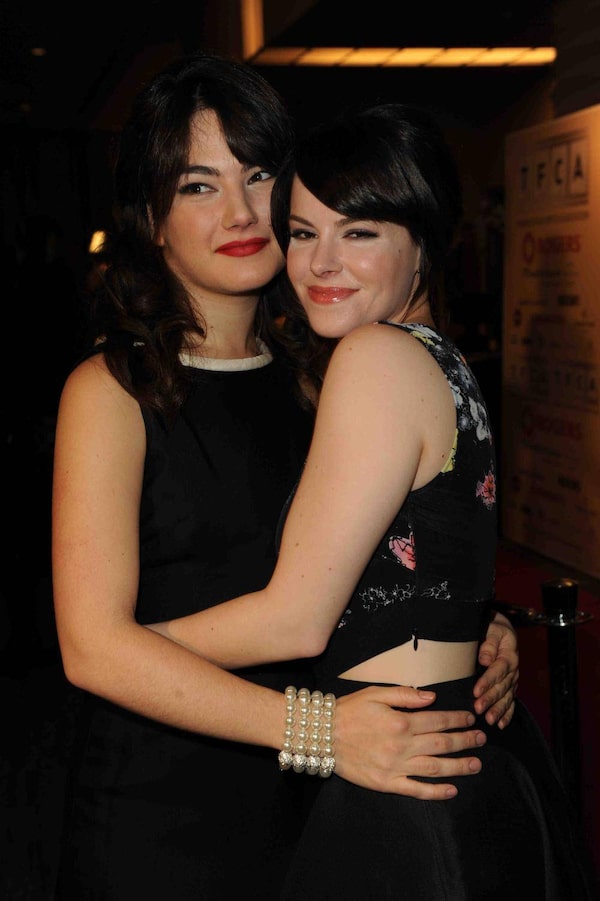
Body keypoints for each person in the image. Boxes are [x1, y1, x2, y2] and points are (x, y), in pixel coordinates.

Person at [51, 51, 519, 901]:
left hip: (327, 795)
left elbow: (374, 562)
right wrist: (319, 730)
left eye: (259, 174)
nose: (241, 211)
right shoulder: (111, 390)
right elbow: (91, 648)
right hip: (166, 801)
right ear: (151, 218)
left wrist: (461, 625)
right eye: (198, 185)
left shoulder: (326, 371)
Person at [147, 102, 598, 899]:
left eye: (357, 232)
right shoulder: (441, 360)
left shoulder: (375, 356)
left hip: (399, 785)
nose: (320, 263)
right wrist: (484, 623)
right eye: (302, 232)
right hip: (442, 761)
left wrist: (131, 652)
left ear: (421, 241)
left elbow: (296, 619)